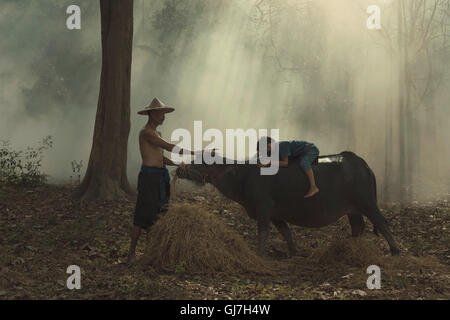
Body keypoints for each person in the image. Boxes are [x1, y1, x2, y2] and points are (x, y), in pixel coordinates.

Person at [127, 97, 197, 264]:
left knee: (159, 213)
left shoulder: (157, 133)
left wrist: (175, 163)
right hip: (149, 176)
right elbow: (169, 147)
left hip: (160, 175)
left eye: (164, 113)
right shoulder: (146, 132)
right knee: (142, 214)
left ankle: (150, 252)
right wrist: (194, 152)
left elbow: (161, 156)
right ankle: (131, 253)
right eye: (160, 113)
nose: (163, 117)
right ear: (151, 114)